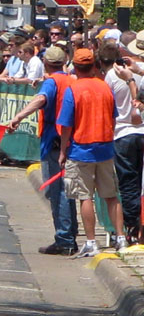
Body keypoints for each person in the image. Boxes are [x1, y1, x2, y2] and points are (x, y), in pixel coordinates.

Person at [56, 45, 127, 257]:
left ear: (76, 68)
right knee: (111, 196)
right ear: (94, 66)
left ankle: (91, 242)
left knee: (85, 196)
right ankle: (121, 238)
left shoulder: (74, 90)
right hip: (105, 147)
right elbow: (113, 117)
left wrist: (62, 151)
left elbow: (67, 126)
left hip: (81, 149)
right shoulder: (106, 87)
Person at [103, 43, 144, 244]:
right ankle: (136, 227)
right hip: (136, 132)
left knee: (128, 183)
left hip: (123, 134)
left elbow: (108, 105)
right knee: (138, 183)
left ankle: (132, 227)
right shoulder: (140, 73)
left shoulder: (113, 75)